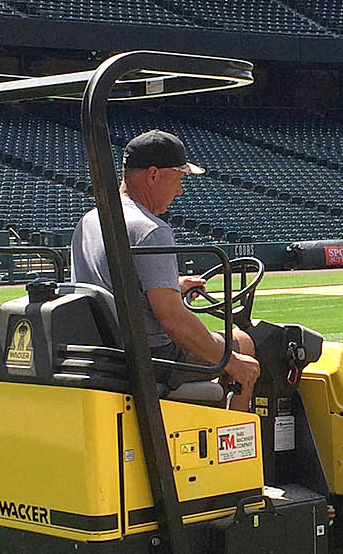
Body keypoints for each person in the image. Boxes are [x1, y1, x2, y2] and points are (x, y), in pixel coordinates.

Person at [70, 128, 260, 410]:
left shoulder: (90, 220)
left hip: (107, 347)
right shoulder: (150, 230)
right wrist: (231, 363)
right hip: (150, 355)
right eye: (178, 178)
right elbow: (173, 321)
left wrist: (173, 285)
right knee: (246, 347)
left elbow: (115, 285)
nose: (180, 189)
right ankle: (235, 443)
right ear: (154, 174)